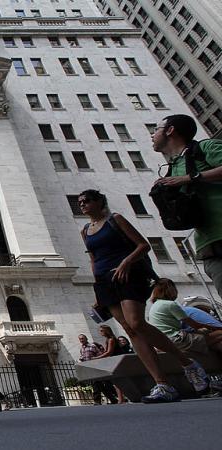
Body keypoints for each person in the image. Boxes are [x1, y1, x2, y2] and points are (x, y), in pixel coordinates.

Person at [78, 189, 210, 403]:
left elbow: (143, 245)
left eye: (87, 200)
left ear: (99, 202)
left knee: (136, 322)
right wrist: (97, 289)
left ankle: (187, 363)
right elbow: (94, 259)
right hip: (105, 282)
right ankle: (162, 384)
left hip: (129, 275)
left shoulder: (115, 219)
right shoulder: (85, 230)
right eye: (80, 202)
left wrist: (126, 262)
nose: (82, 204)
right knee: (130, 330)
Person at [152, 114, 222, 297]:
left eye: (156, 129)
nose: (152, 135)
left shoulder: (204, 147)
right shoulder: (172, 167)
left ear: (170, 130)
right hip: (208, 247)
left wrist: (190, 178)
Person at [147, 279, 222, 362]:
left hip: (164, 341)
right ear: (171, 290)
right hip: (176, 339)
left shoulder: (155, 305)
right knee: (218, 334)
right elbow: (196, 325)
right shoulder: (171, 305)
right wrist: (217, 328)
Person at [77, 334, 117, 405]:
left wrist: (96, 361)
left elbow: (99, 354)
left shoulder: (93, 346)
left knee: (96, 384)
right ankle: (112, 399)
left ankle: (97, 400)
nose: (81, 340)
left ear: (86, 338)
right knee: (99, 385)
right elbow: (83, 357)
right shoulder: (82, 348)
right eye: (80, 339)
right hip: (88, 368)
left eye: (82, 338)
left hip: (95, 367)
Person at [96, 325, 127, 404]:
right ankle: (121, 399)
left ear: (106, 331)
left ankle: (121, 399)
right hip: (115, 360)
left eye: (102, 331)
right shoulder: (108, 339)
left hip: (116, 360)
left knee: (117, 380)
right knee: (116, 381)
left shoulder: (111, 339)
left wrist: (97, 358)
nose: (100, 333)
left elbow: (109, 352)